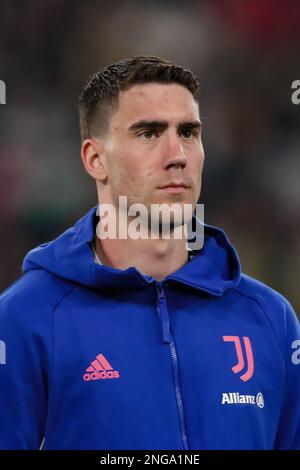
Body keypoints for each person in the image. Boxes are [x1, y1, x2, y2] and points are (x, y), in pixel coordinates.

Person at [0, 55, 299, 450]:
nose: (177, 155)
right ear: (95, 159)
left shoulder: (271, 318)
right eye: (149, 133)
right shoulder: (26, 319)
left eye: (189, 132)